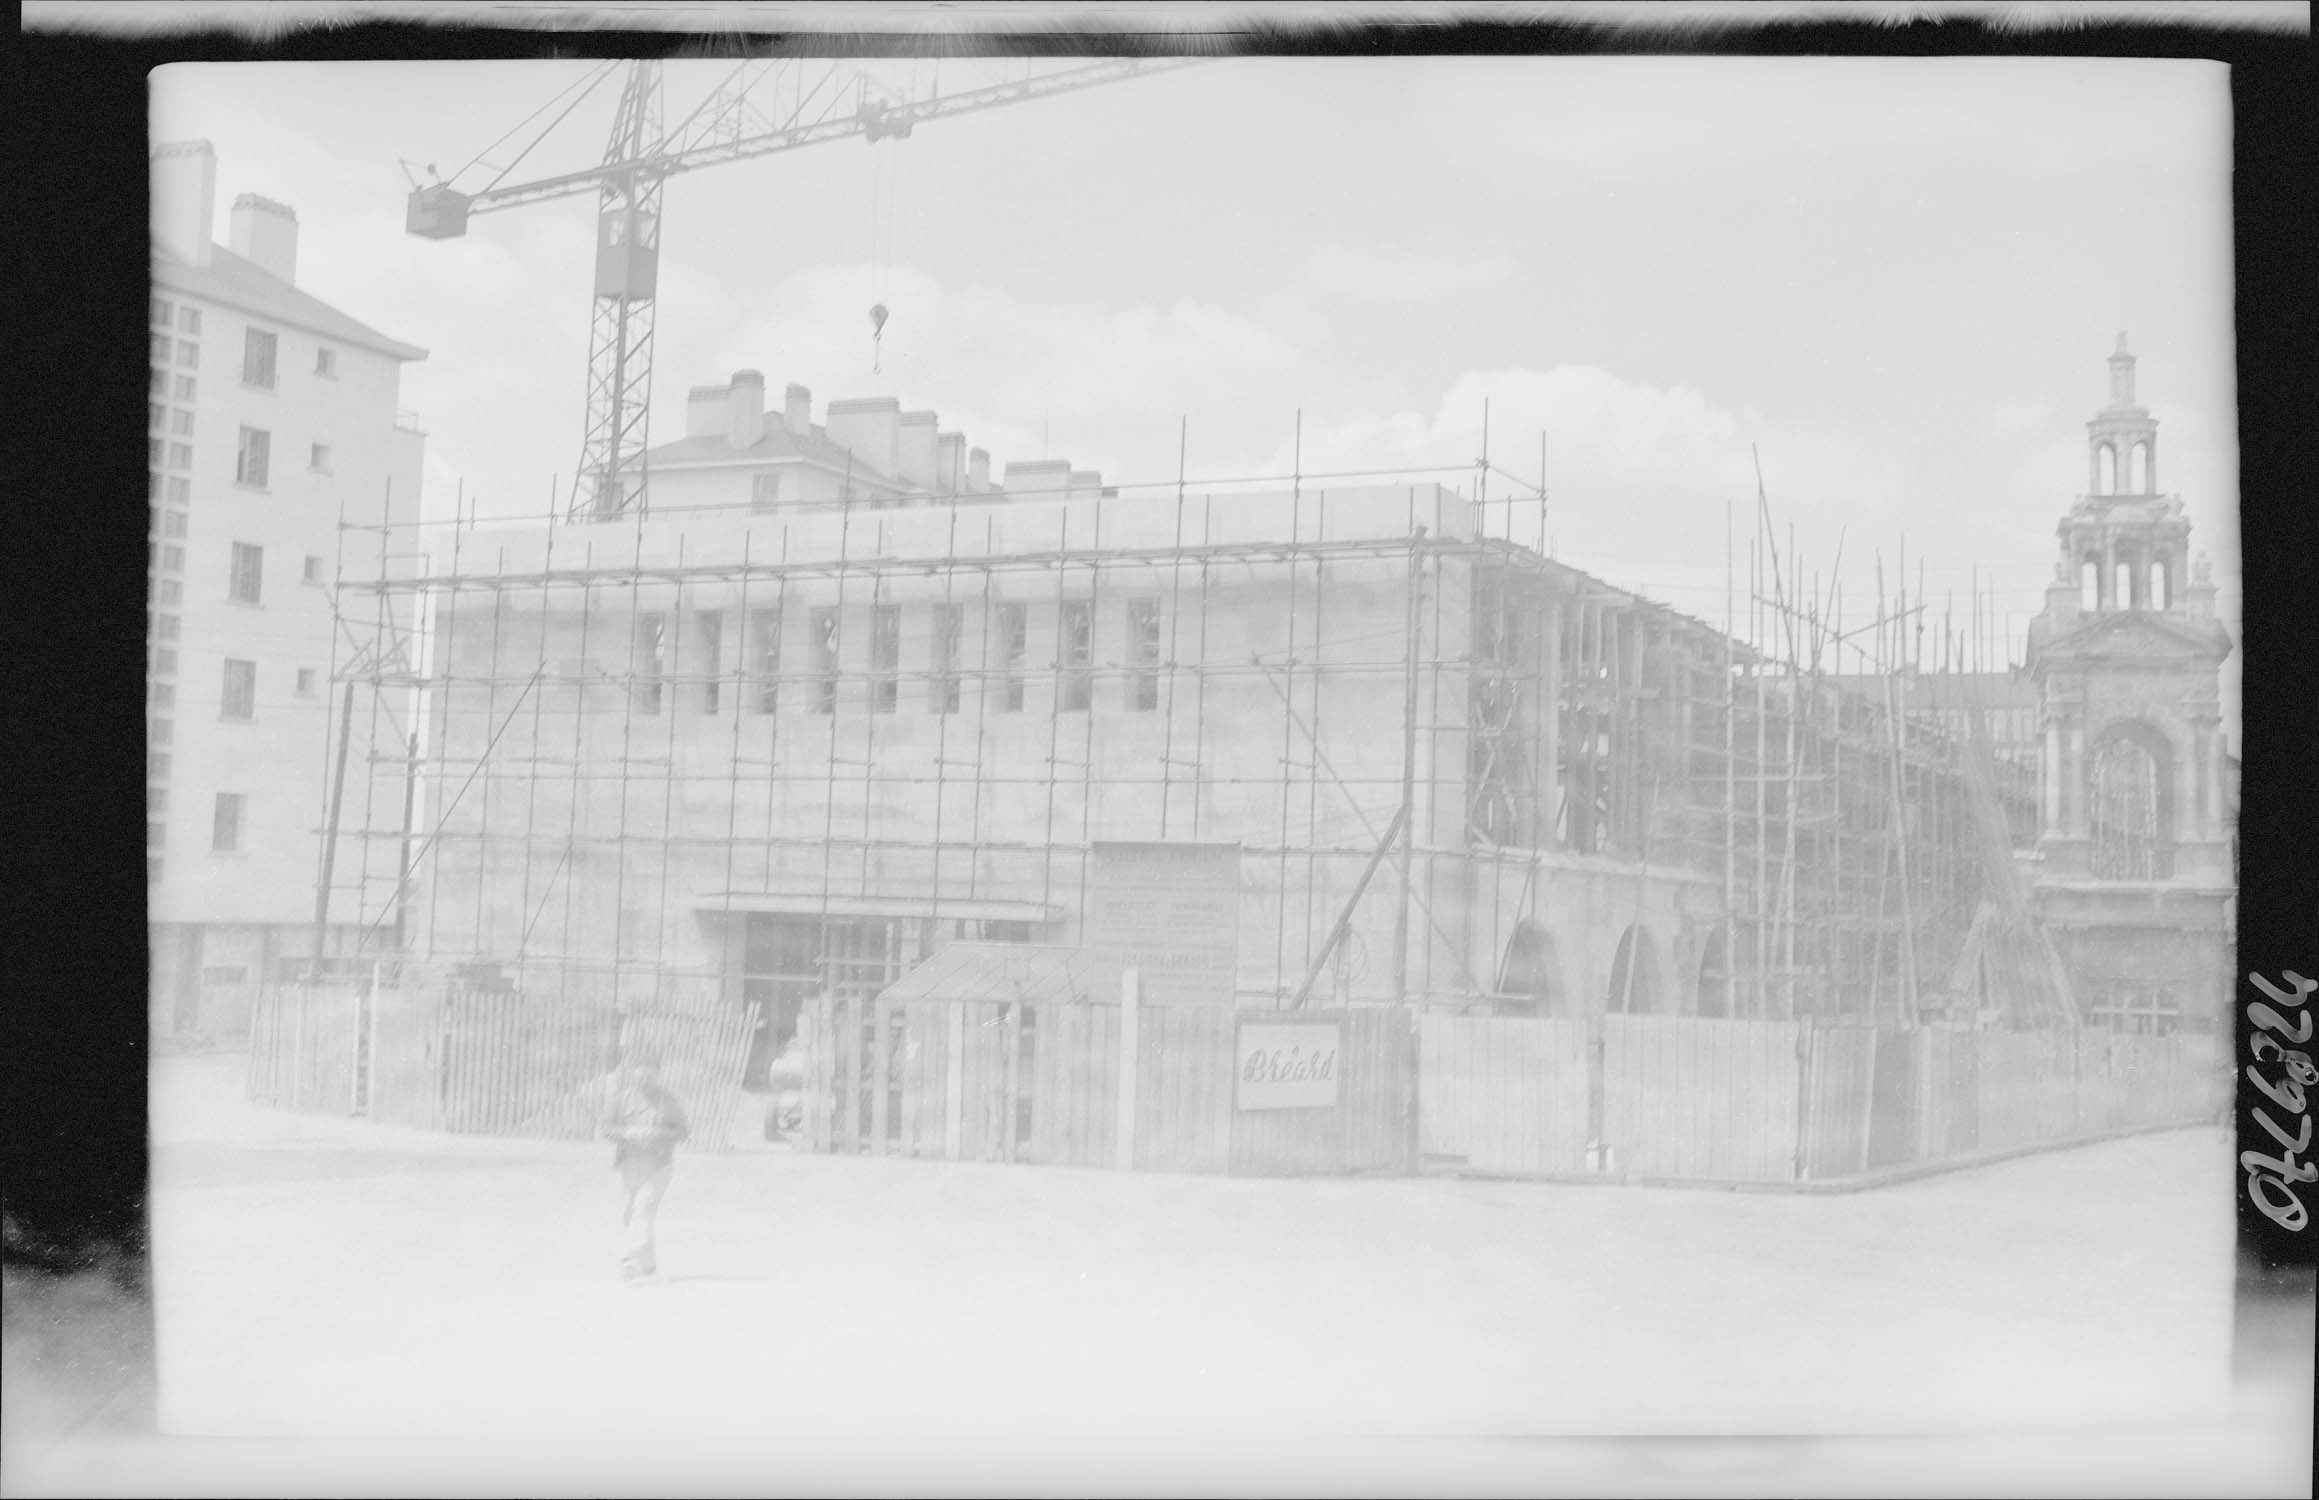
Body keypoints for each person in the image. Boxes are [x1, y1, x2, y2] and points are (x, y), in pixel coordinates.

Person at [594, 1043, 690, 1281]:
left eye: (649, 1073)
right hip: (629, 1164)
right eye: (639, 1072)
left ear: (658, 1073)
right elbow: (605, 1127)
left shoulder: (668, 1102)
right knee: (631, 1215)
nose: (644, 1078)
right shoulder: (621, 1099)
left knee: (643, 1210)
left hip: (658, 1166)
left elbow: (683, 1131)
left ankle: (630, 1259)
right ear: (632, 1072)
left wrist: (658, 1134)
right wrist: (625, 1133)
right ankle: (648, 1266)